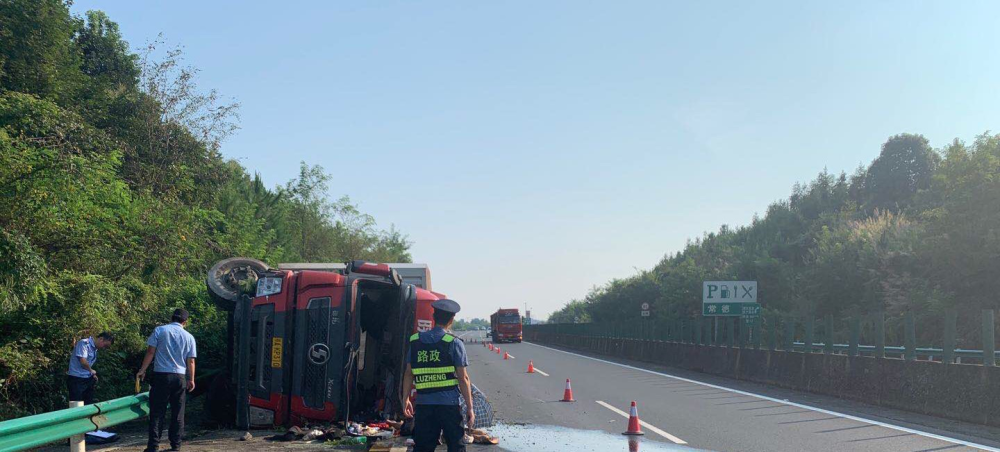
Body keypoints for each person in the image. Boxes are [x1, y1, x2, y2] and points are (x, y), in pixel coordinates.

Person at [401, 299, 475, 452]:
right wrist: (470, 407)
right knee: (456, 446)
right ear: (451, 319)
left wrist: (405, 398)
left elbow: (408, 373)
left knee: (422, 447)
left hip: (424, 405)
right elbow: (463, 378)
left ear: (433, 317)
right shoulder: (453, 342)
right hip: (449, 406)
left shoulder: (416, 341)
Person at [137, 309, 197, 452]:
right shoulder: (189, 337)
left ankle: (153, 446)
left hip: (161, 376)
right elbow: (191, 361)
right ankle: (175, 446)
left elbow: (150, 352)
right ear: (185, 322)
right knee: (178, 412)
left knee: (157, 412)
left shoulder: (160, 330)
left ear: (171, 318)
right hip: (179, 377)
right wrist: (191, 379)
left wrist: (142, 370)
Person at [66, 332, 115, 405]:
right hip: (76, 379)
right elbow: (83, 361)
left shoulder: (95, 349)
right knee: (76, 405)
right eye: (105, 345)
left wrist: (91, 374)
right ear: (101, 339)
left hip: (87, 378)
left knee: (87, 403)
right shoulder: (84, 343)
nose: (104, 348)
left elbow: (88, 364)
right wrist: (91, 370)